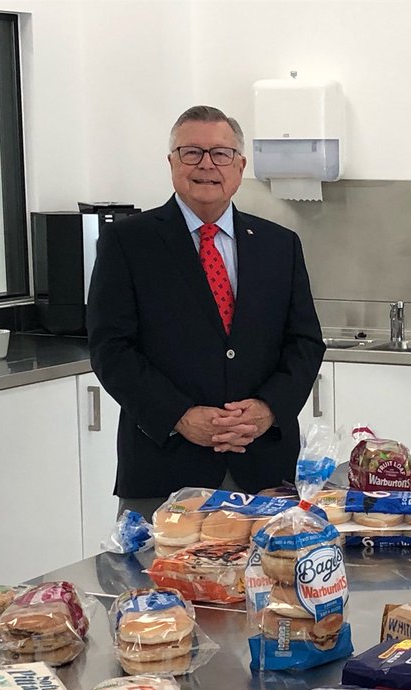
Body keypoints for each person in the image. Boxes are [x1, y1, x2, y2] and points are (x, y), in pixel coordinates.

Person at [88, 105, 324, 519]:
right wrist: (178, 416)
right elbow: (111, 348)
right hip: (165, 469)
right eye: (191, 152)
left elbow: (304, 342)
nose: (206, 165)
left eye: (221, 153)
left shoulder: (279, 244)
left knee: (270, 578)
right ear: (172, 163)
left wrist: (268, 409)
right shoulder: (128, 242)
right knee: (159, 581)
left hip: (265, 467)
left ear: (240, 165)